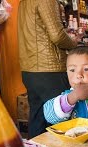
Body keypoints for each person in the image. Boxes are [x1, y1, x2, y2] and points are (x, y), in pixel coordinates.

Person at [18, 0, 78, 138]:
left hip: (29, 69)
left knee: (37, 118)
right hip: (50, 69)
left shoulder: (23, 3)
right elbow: (57, 35)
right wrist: (73, 43)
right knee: (60, 117)